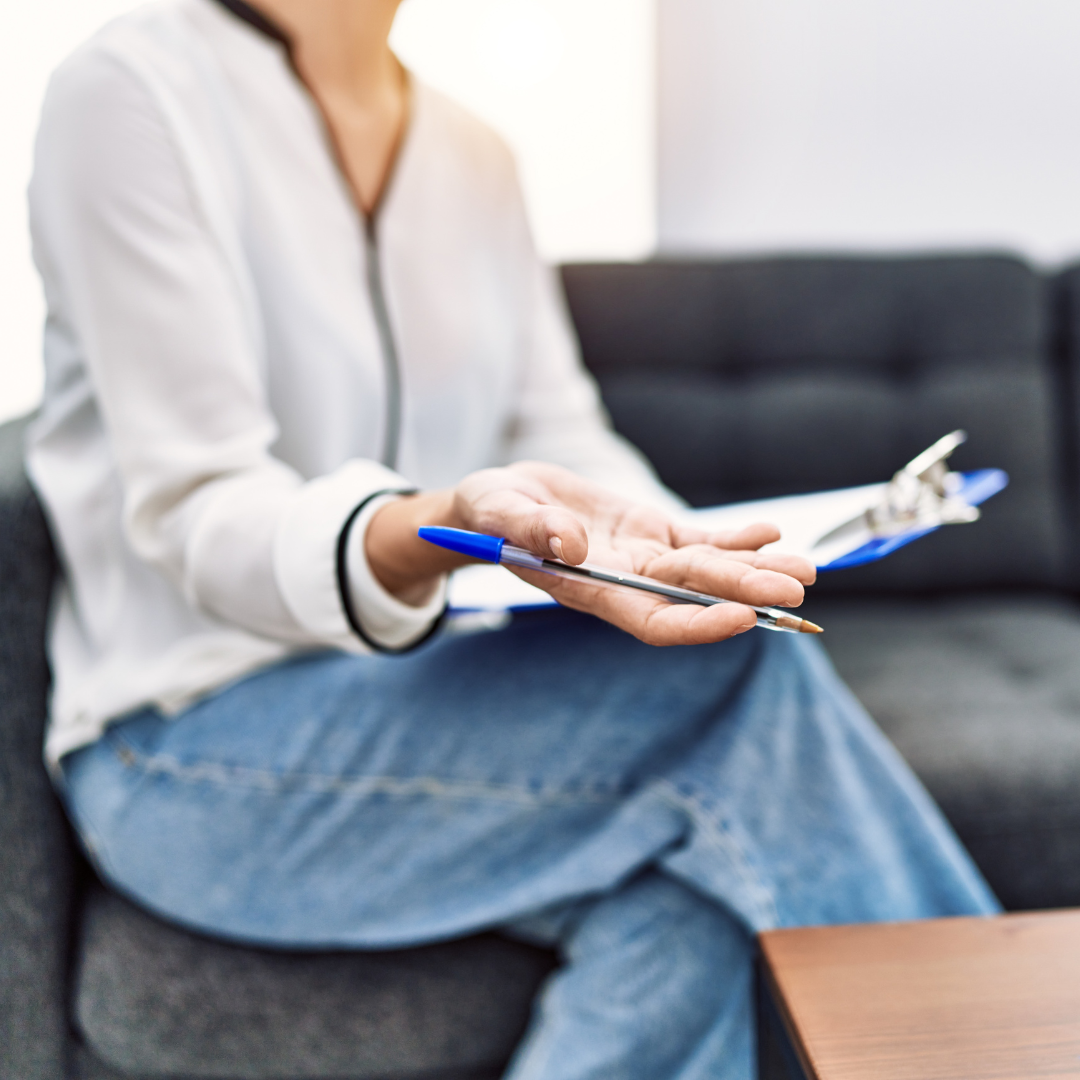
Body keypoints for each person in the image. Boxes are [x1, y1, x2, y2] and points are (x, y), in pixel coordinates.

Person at [25, 0, 998, 1076]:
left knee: (687, 928)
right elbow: (199, 509)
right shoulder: (130, 92)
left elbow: (562, 435)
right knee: (739, 686)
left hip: (433, 706)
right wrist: (417, 530)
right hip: (185, 754)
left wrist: (669, 547)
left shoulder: (471, 153)